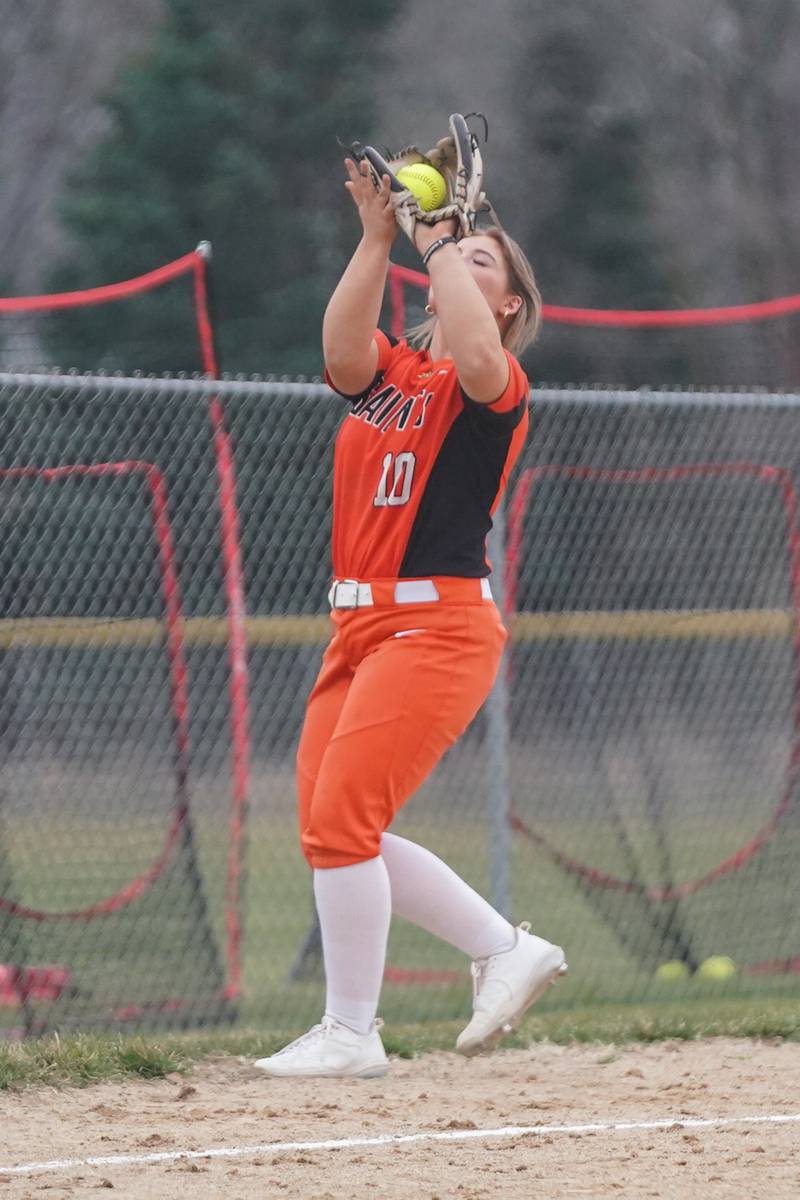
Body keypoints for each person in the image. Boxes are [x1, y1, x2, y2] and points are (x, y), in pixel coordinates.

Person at [255, 157, 566, 1079]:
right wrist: (379, 237)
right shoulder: (395, 372)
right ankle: (503, 948)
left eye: (484, 264)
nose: (460, 264)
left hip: (436, 628)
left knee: (345, 821)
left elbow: (474, 355)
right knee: (332, 825)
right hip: (355, 627)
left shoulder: (494, 383)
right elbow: (341, 353)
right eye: (460, 253)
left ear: (507, 307)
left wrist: (441, 241)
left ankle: (353, 1031)